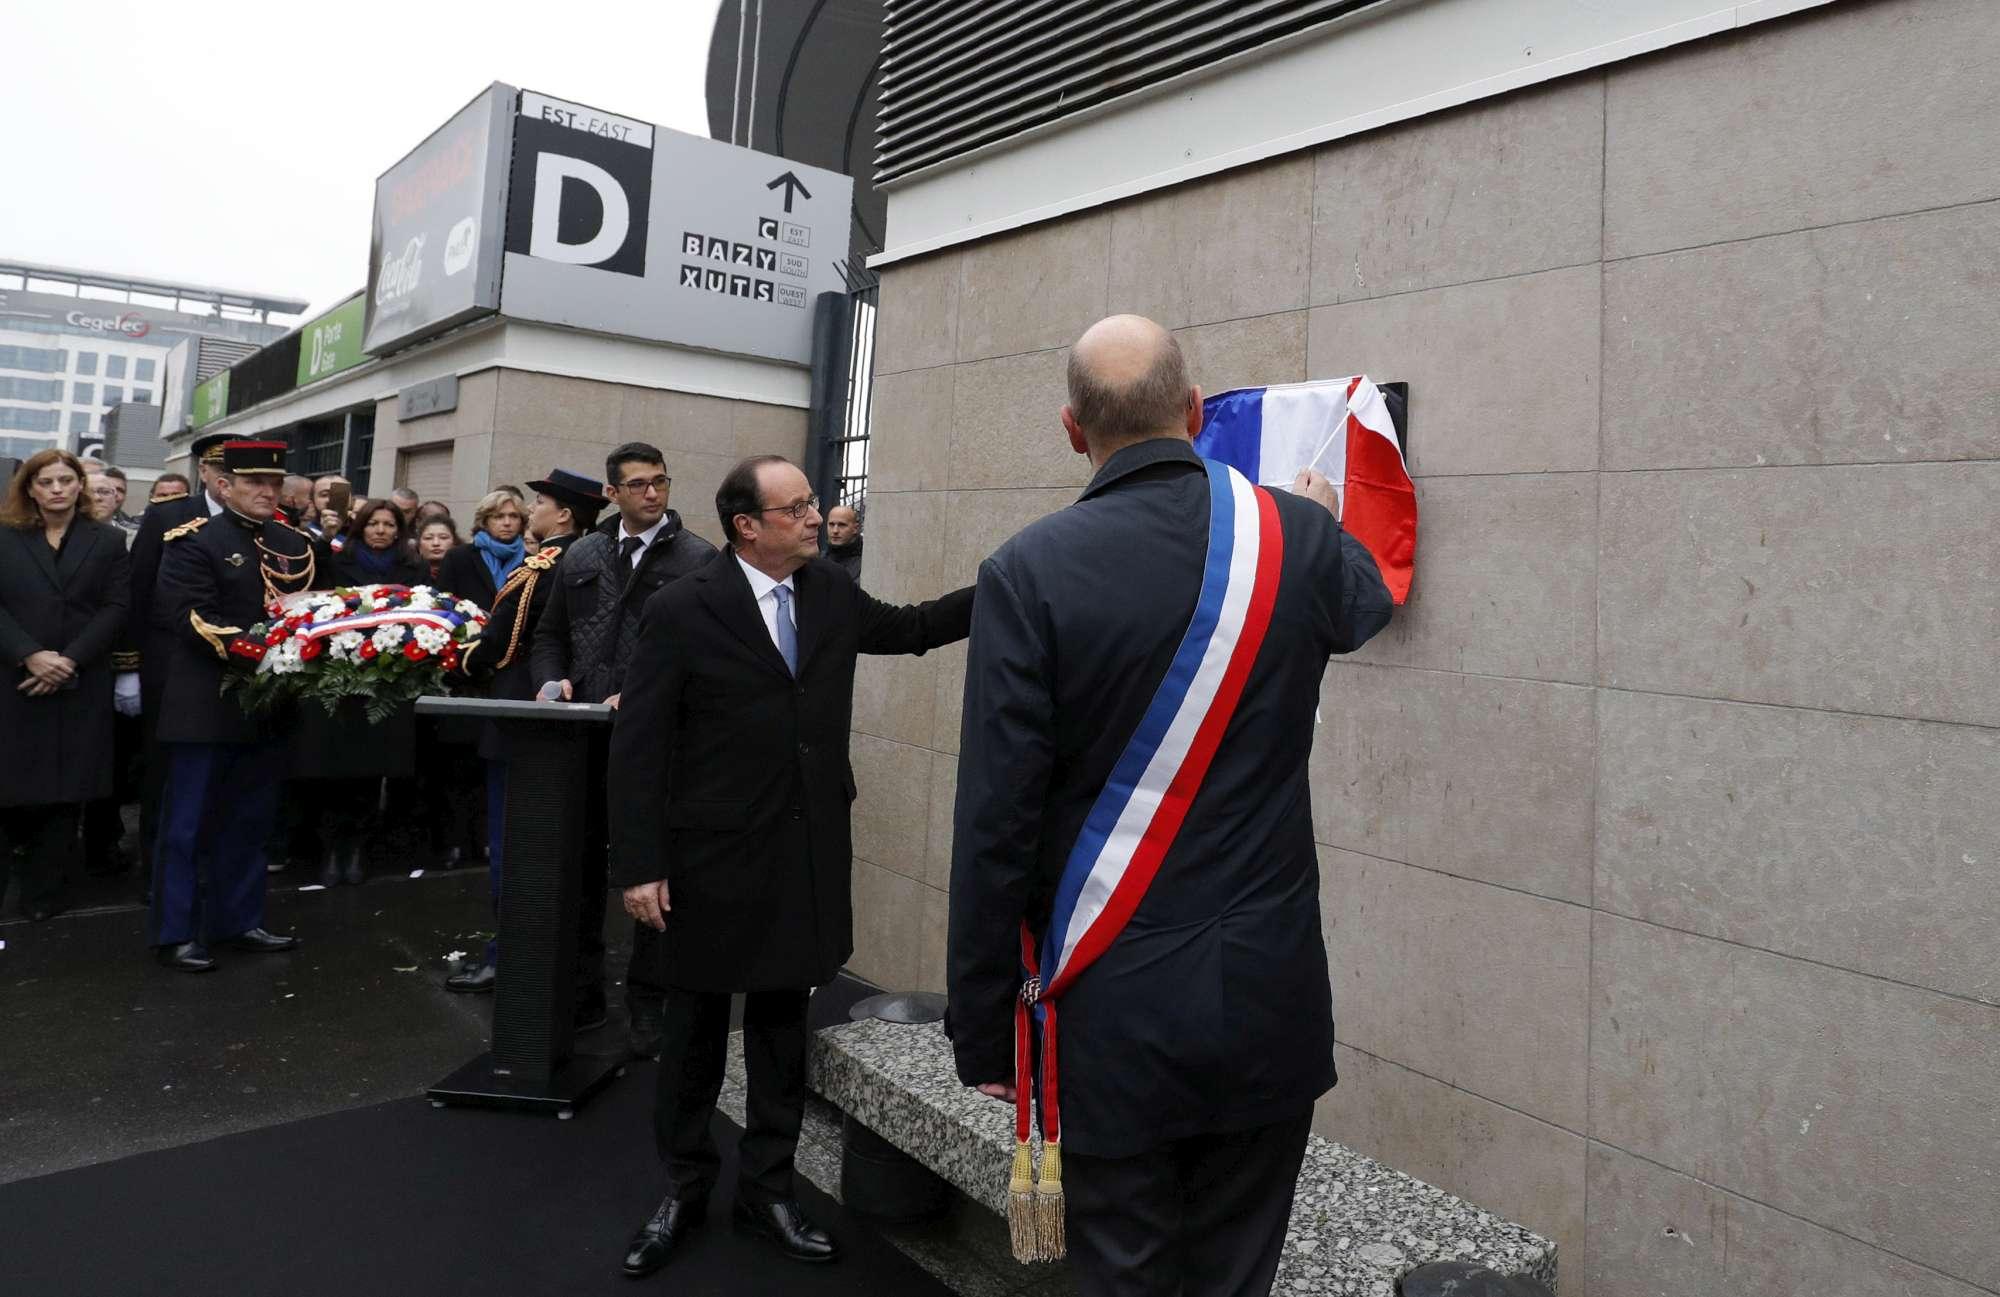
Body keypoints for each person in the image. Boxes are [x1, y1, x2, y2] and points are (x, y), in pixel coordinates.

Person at [946, 316, 1395, 1297]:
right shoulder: (1297, 536)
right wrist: (1314, 515)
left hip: (1108, 1015)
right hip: (1265, 1001)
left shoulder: (1025, 571)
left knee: (1121, 1274)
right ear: (1191, 413)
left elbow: (995, 824)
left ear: (1072, 430)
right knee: (1236, 1275)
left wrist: (983, 1029)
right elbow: (1364, 608)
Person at [606, 454, 973, 1279]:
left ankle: (767, 1190)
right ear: (748, 526)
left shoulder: (830, 591)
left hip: (800, 852)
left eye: (815, 502)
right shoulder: (683, 606)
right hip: (703, 861)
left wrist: (1009, 585)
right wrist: (640, 865)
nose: (818, 516)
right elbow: (639, 749)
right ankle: (683, 1185)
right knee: (696, 1033)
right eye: (799, 506)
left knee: (779, 1033)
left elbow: (910, 628)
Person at [530, 444, 714, 1042]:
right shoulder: (579, 552)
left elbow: (704, 659)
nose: (652, 493)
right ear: (612, 493)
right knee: (579, 867)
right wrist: (549, 681)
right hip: (581, 735)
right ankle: (581, 995)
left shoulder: (698, 560)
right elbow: (549, 635)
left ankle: (649, 1005)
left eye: (660, 482)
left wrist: (643, 695)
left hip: (655, 741)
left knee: (651, 869)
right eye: (637, 485)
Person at [149, 439, 322, 972]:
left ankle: (239, 919)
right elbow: (188, 615)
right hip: (205, 704)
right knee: (188, 826)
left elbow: (319, 610)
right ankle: (177, 931)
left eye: (274, 484)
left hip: (268, 706)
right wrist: (268, 653)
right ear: (224, 486)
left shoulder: (294, 542)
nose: (268, 493)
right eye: (255, 484)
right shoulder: (193, 540)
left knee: (251, 821)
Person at [446, 468, 606, 995]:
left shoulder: (549, 564)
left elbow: (503, 642)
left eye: (539, 502)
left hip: (521, 719)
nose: (530, 510)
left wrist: (452, 656)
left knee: (512, 849)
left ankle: (509, 957)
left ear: (563, 514)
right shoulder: (579, 558)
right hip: (542, 722)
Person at [0, 450, 131, 920]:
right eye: (46, 481)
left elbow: (117, 608)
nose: (56, 489)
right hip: (13, 680)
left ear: (80, 485)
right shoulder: (5, 535)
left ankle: (44, 896)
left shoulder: (109, 542)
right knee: (7, 788)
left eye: (65, 480)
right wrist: (29, 655)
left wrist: (69, 660)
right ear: (29, 488)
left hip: (79, 680)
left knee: (63, 794)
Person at [127, 433, 232, 884]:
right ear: (204, 473)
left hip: (236, 668)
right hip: (171, 664)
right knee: (165, 775)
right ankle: (156, 872)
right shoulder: (167, 516)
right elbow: (138, 590)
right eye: (219, 471)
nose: (229, 481)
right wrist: (129, 666)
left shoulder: (266, 521)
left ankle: (213, 873)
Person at [438, 490, 527, 617]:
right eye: (498, 516)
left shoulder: (531, 562)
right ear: (485, 521)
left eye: (514, 516)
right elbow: (443, 603)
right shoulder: (459, 557)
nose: (507, 523)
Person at [824, 504, 863, 580]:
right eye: (831, 524)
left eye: (842, 525)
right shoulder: (817, 560)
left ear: (855, 528)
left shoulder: (867, 564)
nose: (835, 531)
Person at [415, 516, 459, 582]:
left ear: (454, 543)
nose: (436, 543)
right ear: (419, 545)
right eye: (428, 538)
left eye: (443, 537)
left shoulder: (465, 572)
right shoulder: (408, 574)